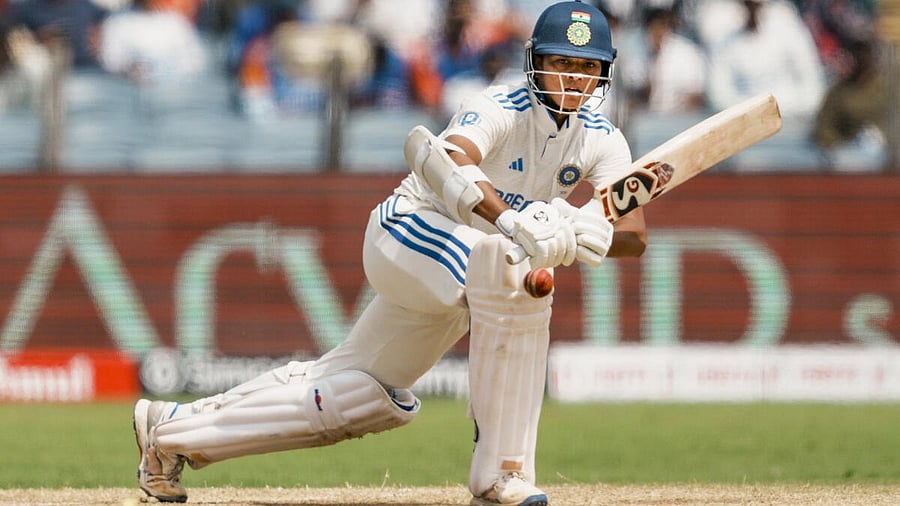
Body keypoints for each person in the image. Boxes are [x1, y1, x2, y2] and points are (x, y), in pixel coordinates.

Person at [132, 2, 647, 505]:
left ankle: (173, 431)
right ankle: (502, 472)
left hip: (461, 276)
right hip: (411, 231)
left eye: (586, 67)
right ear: (535, 62)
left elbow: (633, 231)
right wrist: (513, 222)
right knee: (515, 274)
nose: (574, 79)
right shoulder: (499, 106)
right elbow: (448, 158)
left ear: (603, 73)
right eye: (561, 63)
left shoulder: (602, 140)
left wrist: (584, 227)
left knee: (356, 396)